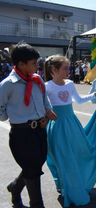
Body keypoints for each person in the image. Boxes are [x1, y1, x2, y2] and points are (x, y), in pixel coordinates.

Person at [44, 55, 96, 207]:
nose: (69, 70)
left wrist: (94, 95)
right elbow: (41, 104)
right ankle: (65, 185)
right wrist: (47, 111)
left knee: (78, 154)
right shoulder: (46, 86)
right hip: (57, 126)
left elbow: (78, 100)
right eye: (65, 68)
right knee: (62, 158)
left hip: (72, 125)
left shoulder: (70, 84)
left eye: (68, 67)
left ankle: (73, 184)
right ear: (54, 70)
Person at [0, 42, 58, 208]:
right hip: (21, 134)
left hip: (39, 131)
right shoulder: (8, 85)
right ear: (21, 64)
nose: (38, 65)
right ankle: (37, 205)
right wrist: (14, 117)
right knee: (32, 171)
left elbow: (45, 102)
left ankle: (15, 187)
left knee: (34, 165)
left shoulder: (37, 79)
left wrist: (46, 116)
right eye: (34, 62)